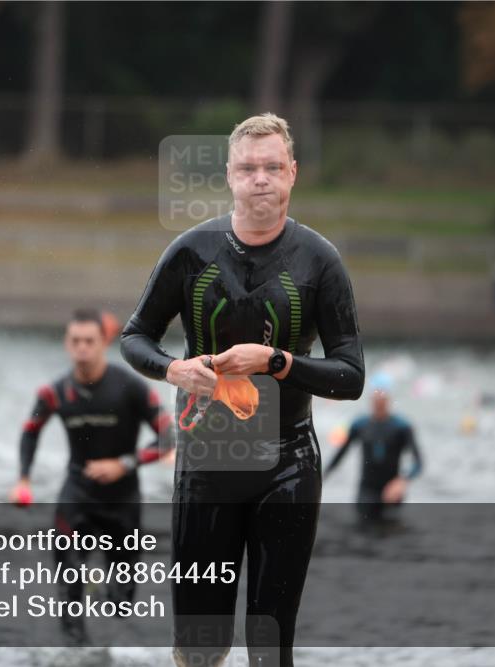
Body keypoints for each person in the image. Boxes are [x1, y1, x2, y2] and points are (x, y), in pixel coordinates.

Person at [120, 113, 364, 666]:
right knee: (199, 644)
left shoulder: (320, 260)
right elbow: (136, 338)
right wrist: (172, 371)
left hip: (288, 462)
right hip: (207, 463)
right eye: (249, 168)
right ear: (230, 175)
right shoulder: (190, 252)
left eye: (273, 167)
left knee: (269, 644)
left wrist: (277, 361)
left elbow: (351, 375)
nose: (261, 179)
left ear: (292, 174)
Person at [15, 307, 172, 645]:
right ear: (66, 344)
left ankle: (103, 592)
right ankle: (76, 651)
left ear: (104, 342)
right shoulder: (53, 392)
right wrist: (24, 479)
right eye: (75, 341)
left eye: (89, 341)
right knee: (69, 586)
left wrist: (124, 464)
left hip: (122, 500)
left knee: (121, 601)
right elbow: (30, 432)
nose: (82, 348)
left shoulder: (130, 386)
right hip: (77, 497)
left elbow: (168, 436)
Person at [325, 389, 423, 527]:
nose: (379, 403)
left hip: (392, 491)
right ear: (371, 402)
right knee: (363, 533)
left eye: (382, 399)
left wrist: (402, 481)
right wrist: (323, 476)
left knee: (394, 533)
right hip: (367, 490)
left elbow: (418, 463)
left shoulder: (402, 427)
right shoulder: (360, 425)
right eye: (376, 399)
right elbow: (340, 454)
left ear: (388, 401)